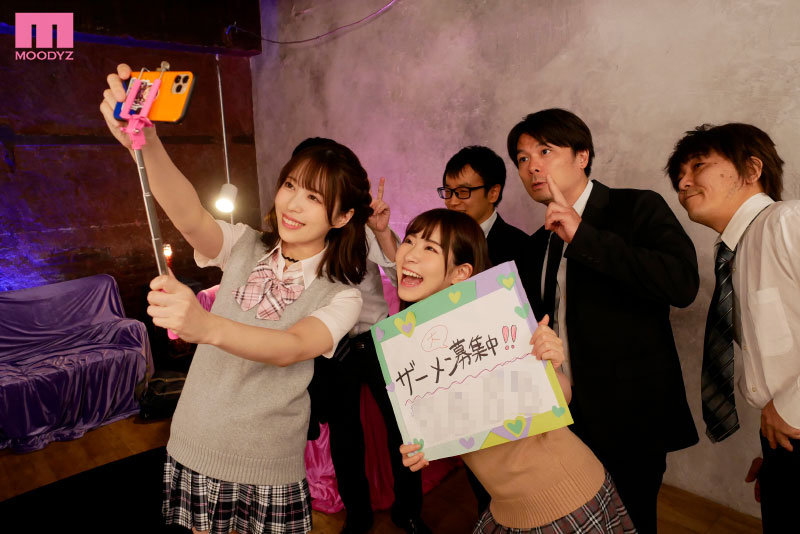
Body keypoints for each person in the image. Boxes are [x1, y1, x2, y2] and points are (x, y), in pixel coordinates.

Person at [100, 64, 372, 534]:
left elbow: (290, 347)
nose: (292, 204)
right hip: (196, 438)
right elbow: (189, 216)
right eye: (290, 185)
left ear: (343, 216)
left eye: (314, 197)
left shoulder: (342, 295)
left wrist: (206, 327)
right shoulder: (243, 244)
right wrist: (146, 144)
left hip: (268, 461)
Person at [507, 108, 699, 533]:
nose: (532, 166)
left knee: (632, 519)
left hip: (629, 415)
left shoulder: (636, 207)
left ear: (582, 156)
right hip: (564, 412)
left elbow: (682, 283)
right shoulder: (537, 243)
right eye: (522, 158)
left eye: (545, 151)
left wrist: (583, 235)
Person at [396, 208, 636, 533]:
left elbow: (562, 396)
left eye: (429, 248)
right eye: (409, 241)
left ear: (461, 272)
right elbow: (453, 424)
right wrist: (422, 447)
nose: (410, 254)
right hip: (506, 506)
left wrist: (550, 363)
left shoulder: (492, 322)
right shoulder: (412, 346)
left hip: (563, 496)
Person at [665, 123, 800, 532]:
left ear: (752, 169)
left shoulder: (787, 221)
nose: (683, 184)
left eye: (698, 166)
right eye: (679, 176)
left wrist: (790, 408)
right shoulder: (733, 256)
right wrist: (777, 459)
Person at [295, 138, 429, 534]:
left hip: (377, 339)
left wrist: (383, 231)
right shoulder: (299, 230)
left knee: (402, 427)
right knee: (345, 434)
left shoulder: (361, 223)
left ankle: (408, 511)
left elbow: (401, 275)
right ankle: (358, 513)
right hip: (331, 347)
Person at [438, 145, 529, 266]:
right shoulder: (435, 239)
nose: (453, 202)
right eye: (448, 191)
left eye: (463, 192)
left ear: (493, 193)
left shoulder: (523, 248)